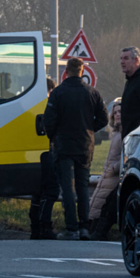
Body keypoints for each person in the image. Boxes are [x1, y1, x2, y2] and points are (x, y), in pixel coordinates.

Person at [42, 58, 108, 240]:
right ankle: (84, 227)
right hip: (85, 145)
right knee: (82, 187)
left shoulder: (58, 93)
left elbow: (48, 120)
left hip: (64, 146)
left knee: (68, 188)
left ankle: (71, 228)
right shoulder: (92, 93)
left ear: (66, 71)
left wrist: (54, 136)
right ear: (82, 71)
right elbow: (104, 119)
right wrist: (88, 129)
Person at [88, 98, 122, 241]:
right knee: (97, 202)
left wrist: (114, 167)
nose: (118, 115)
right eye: (115, 113)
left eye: (120, 112)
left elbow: (126, 157)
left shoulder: (126, 133)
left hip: (113, 176)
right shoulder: (116, 133)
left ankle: (97, 231)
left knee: (103, 204)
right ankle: (91, 229)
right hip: (107, 176)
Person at [29, 78, 59, 239]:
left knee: (37, 191)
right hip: (48, 151)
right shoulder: (50, 105)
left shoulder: (31, 106)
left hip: (33, 152)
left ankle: (34, 226)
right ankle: (45, 225)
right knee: (51, 190)